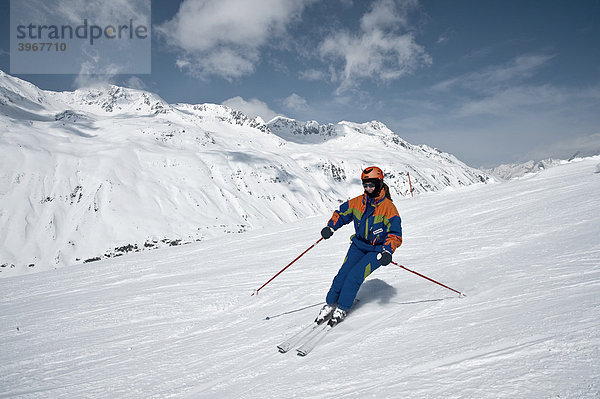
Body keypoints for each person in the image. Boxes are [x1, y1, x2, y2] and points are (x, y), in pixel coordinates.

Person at [316, 166, 403, 326]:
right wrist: (331, 227)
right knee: (342, 274)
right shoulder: (359, 202)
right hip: (358, 245)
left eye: (371, 185)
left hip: (377, 250)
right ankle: (330, 303)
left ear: (379, 184)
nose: (368, 189)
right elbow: (341, 214)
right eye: (365, 185)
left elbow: (395, 234)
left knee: (354, 276)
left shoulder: (388, 208)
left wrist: (388, 251)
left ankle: (342, 307)